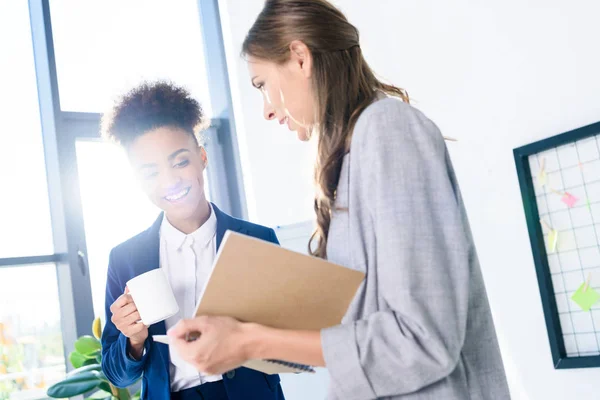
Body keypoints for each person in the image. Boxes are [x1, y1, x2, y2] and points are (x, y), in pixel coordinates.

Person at [167, 0, 511, 399]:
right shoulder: (349, 159)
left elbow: (422, 340)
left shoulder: (388, 129)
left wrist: (252, 341)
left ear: (299, 58)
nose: (265, 111)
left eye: (261, 85)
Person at [99, 81, 285, 400]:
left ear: (202, 157)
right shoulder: (125, 258)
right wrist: (133, 339)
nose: (170, 181)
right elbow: (116, 372)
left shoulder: (257, 239)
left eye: (180, 161)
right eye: (151, 172)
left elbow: (287, 339)